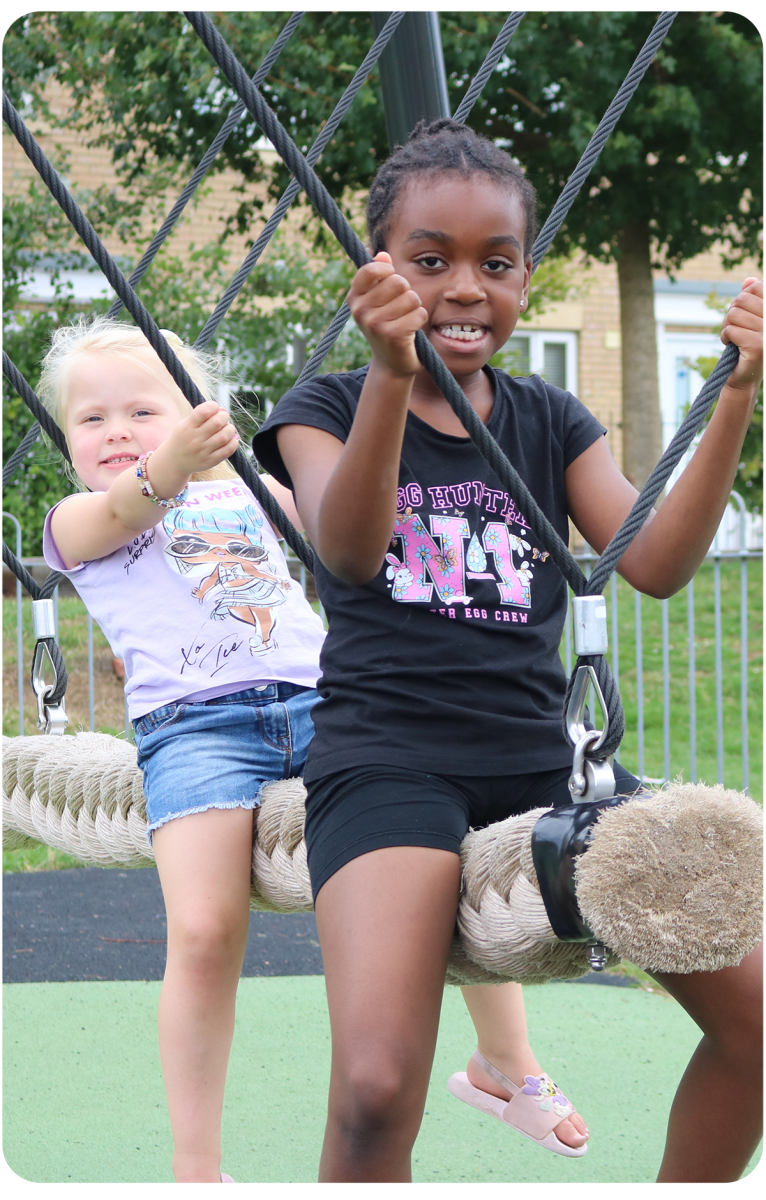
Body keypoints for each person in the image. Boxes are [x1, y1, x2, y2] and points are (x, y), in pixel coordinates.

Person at [253, 119, 764, 1184]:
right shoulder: (327, 406)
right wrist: (391, 373)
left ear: (526, 278)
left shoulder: (548, 419)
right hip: (388, 761)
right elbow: (348, 551)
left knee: (760, 1023)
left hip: (544, 757)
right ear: (380, 270)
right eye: (429, 260)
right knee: (376, 1089)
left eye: (495, 263)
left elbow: (656, 561)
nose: (464, 288)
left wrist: (737, 396)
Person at [40, 317, 326, 1185]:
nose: (116, 431)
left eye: (142, 411)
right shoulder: (79, 519)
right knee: (204, 931)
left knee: (431, 848)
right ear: (67, 440)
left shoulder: (244, 488)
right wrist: (169, 462)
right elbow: (133, 503)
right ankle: (197, 1164)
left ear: (197, 414)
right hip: (197, 729)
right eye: (91, 420)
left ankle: (508, 1064)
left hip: (324, 701)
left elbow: (343, 515)